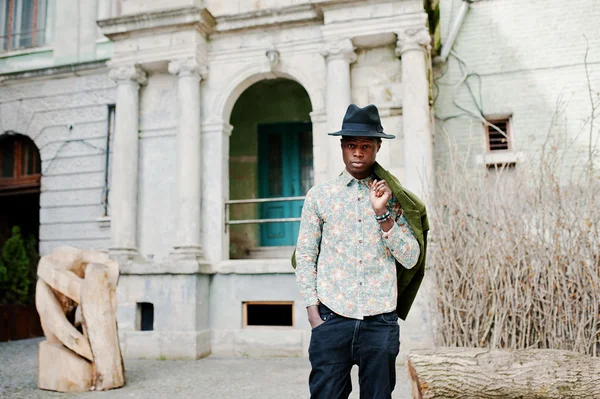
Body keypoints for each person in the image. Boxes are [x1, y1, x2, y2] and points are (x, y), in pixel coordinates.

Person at [294, 104, 428, 399]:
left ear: (377, 147)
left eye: (366, 145)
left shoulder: (392, 199)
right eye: (352, 145)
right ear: (342, 147)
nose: (358, 152)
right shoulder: (320, 196)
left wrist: (383, 215)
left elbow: (411, 257)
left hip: (379, 322)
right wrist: (313, 313)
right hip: (332, 318)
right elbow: (305, 256)